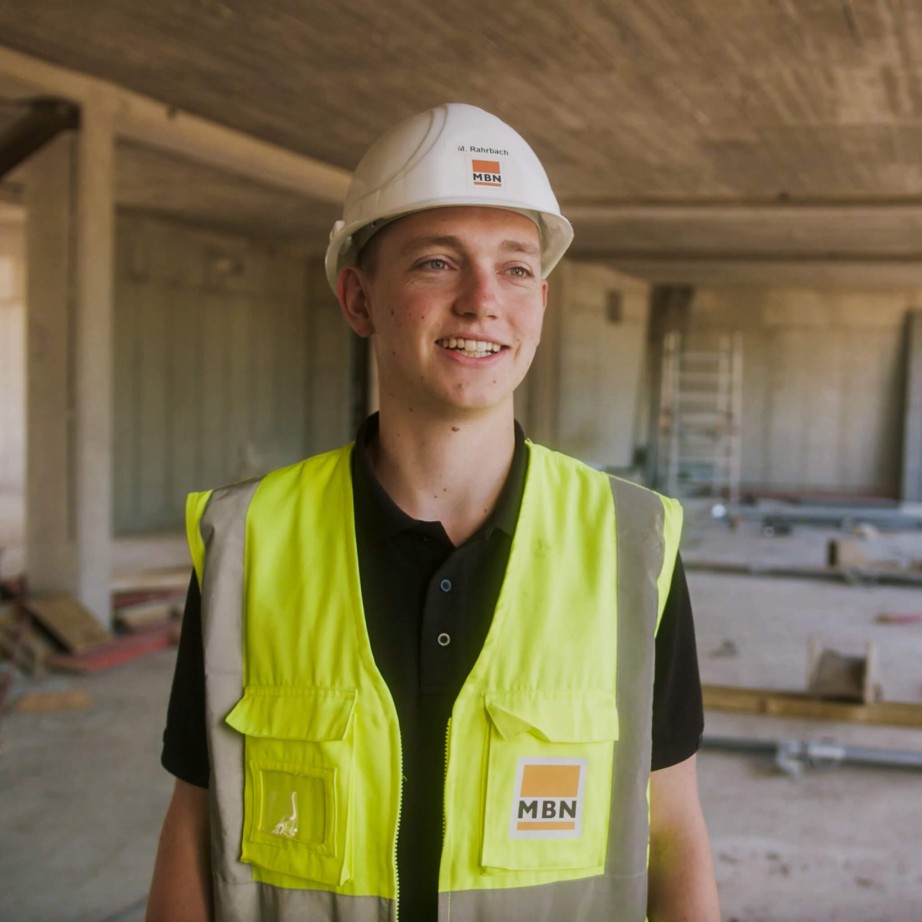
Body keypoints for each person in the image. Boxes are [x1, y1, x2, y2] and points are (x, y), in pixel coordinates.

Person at [147, 103, 720, 922]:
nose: (484, 301)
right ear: (357, 298)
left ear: (542, 304)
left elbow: (674, 831)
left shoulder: (632, 545)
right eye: (437, 264)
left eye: (516, 268)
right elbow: (194, 822)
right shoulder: (249, 541)